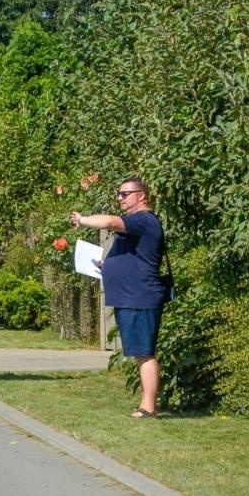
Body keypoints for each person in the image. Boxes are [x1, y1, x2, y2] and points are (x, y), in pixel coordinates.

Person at [72, 176, 167, 418]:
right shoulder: (138, 224)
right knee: (139, 352)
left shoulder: (144, 220)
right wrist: (108, 266)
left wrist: (82, 220)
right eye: (119, 193)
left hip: (139, 297)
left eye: (125, 194)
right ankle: (146, 405)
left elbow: (110, 221)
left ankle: (148, 408)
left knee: (144, 353)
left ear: (141, 196)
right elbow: (132, 259)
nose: (120, 198)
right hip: (130, 297)